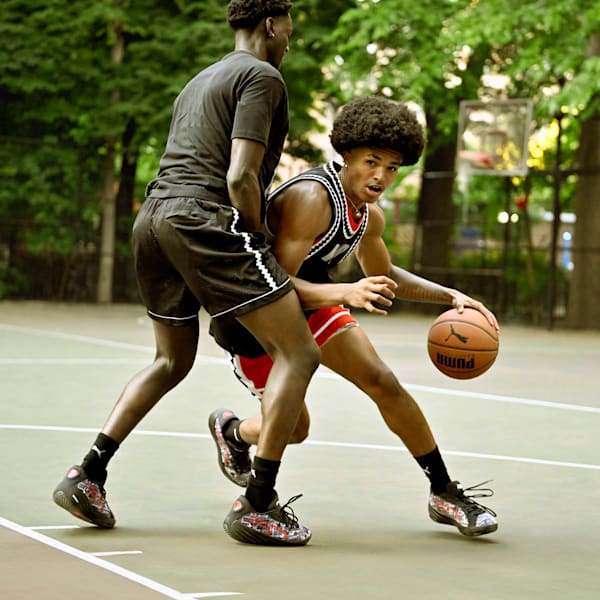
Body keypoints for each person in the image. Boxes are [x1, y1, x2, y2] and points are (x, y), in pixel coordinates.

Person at [52, 0, 321, 547]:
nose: (292, 37)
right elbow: (241, 175)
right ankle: (258, 504)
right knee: (300, 353)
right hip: (204, 219)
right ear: (271, 23)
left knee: (170, 360)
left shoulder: (199, 80)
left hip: (153, 220)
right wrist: (258, 244)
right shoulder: (262, 76)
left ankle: (88, 474)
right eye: (289, 26)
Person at [208, 95, 499, 538]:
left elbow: (384, 277)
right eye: (371, 161)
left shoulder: (367, 215)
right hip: (258, 318)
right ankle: (234, 432)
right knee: (296, 428)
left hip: (316, 302)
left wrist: (450, 296)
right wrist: (346, 291)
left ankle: (444, 492)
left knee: (382, 381)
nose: (381, 176)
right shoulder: (312, 198)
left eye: (392, 167)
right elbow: (274, 286)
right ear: (346, 156)